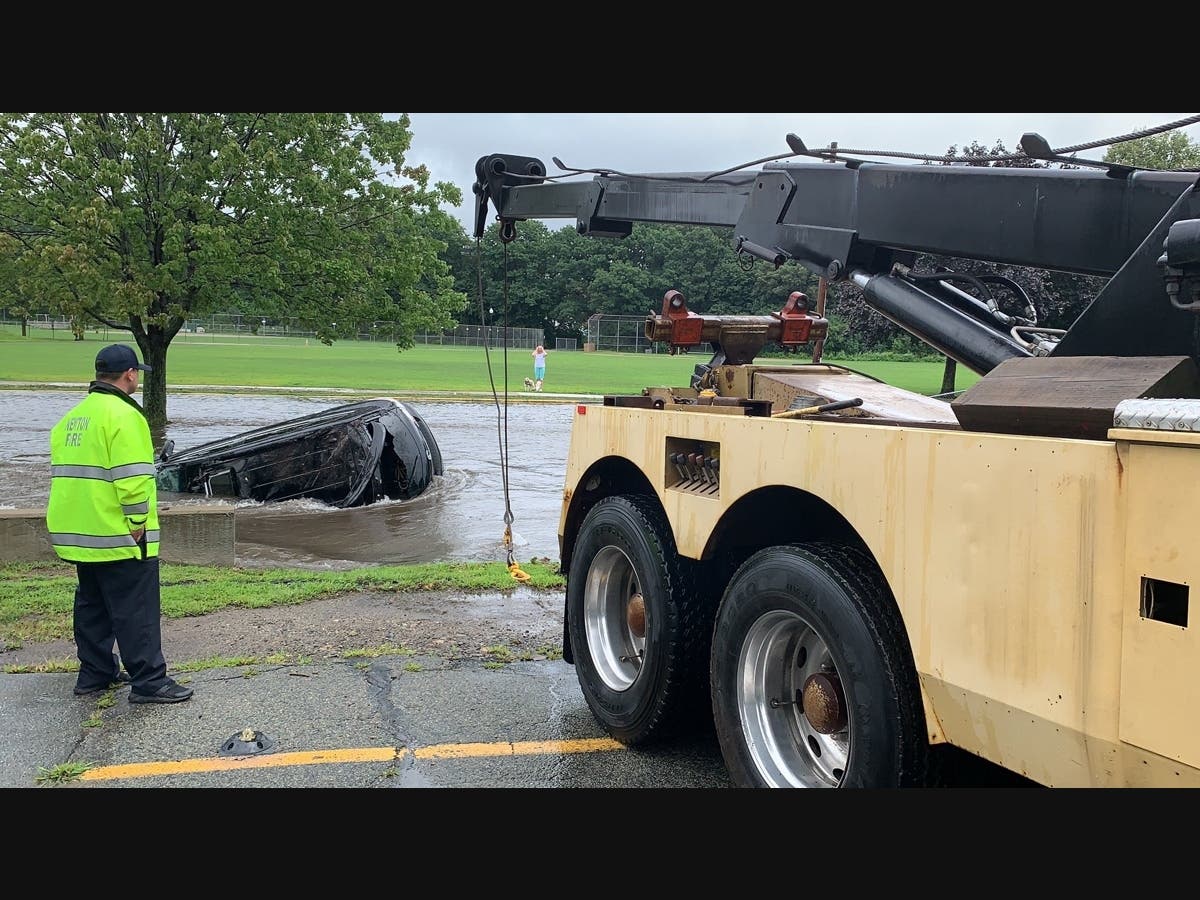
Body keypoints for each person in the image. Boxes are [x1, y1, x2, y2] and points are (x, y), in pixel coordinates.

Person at [46, 343, 193, 704]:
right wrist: (138, 521)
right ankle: (149, 681)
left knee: (92, 604)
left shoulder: (72, 418)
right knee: (135, 606)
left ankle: (95, 673)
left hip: (80, 532)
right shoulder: (126, 417)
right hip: (117, 532)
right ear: (130, 374)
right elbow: (132, 479)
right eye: (136, 374)